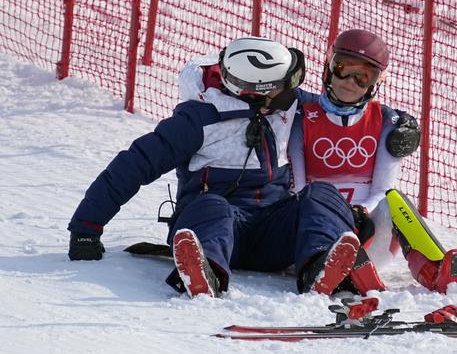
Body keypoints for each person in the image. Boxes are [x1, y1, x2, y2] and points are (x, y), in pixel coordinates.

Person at [67, 36, 363, 298]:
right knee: (212, 205)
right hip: (212, 229)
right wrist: (87, 227)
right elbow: (134, 164)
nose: (294, 90)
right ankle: (203, 270)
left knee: (321, 194)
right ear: (258, 91)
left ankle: (321, 266)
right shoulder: (199, 121)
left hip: (272, 229)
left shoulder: (284, 103)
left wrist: (395, 124)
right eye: (285, 85)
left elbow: (338, 108)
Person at [288, 29, 457, 294]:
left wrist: (360, 212)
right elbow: (298, 187)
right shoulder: (304, 117)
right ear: (329, 67)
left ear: (376, 81)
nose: (350, 82)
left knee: (394, 202)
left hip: (368, 229)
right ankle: (343, 272)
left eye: (363, 76)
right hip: (316, 230)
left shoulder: (385, 121)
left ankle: (433, 270)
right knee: (306, 202)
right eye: (343, 69)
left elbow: (382, 188)